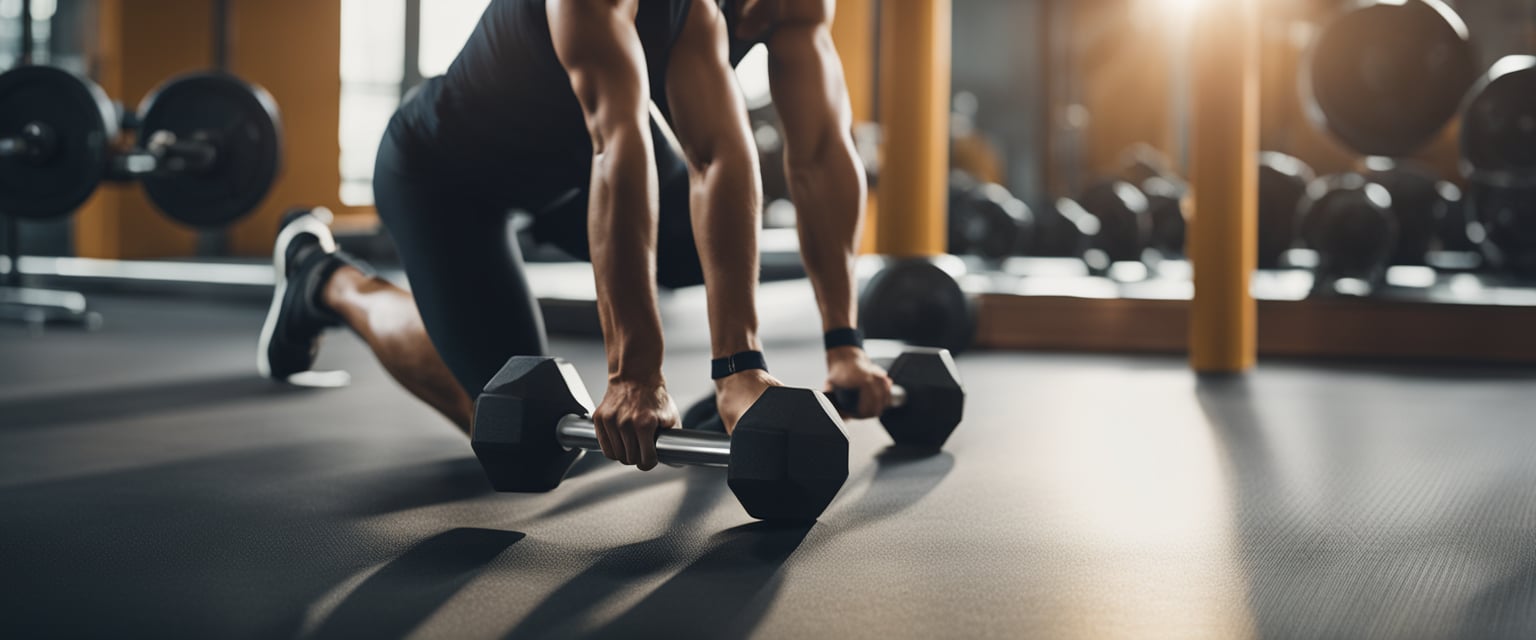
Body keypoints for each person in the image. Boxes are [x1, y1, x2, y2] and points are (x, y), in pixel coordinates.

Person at [259, 0, 891, 472]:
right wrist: (635, 373)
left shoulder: (767, 8)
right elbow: (618, 140)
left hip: (567, 180)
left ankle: (726, 388)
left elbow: (785, 155)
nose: (754, 13)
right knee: (513, 421)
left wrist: (824, 349)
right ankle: (325, 279)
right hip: (447, 175)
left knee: (716, 239)